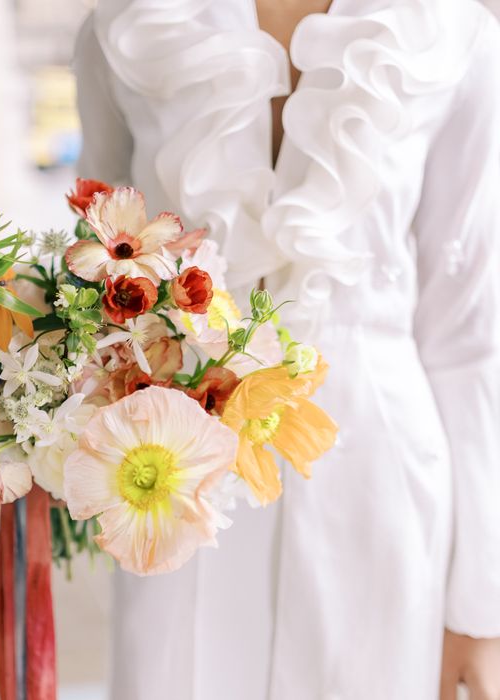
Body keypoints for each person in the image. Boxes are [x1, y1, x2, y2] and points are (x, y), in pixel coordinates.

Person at [73, 1, 500, 698]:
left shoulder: (452, 32)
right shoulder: (126, 23)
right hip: (175, 475)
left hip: (379, 478)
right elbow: (94, 272)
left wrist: (483, 607)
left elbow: (472, 337)